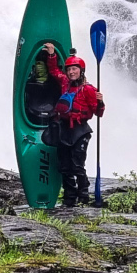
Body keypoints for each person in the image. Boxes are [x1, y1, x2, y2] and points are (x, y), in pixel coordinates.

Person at [41, 42, 105, 207]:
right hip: (64, 129)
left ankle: (83, 195)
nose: (71, 72)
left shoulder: (89, 90)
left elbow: (98, 113)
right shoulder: (64, 83)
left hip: (80, 130)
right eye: (69, 69)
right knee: (64, 166)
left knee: (77, 165)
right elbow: (54, 71)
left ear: (81, 70)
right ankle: (69, 197)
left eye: (74, 69)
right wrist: (52, 54)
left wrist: (100, 101)